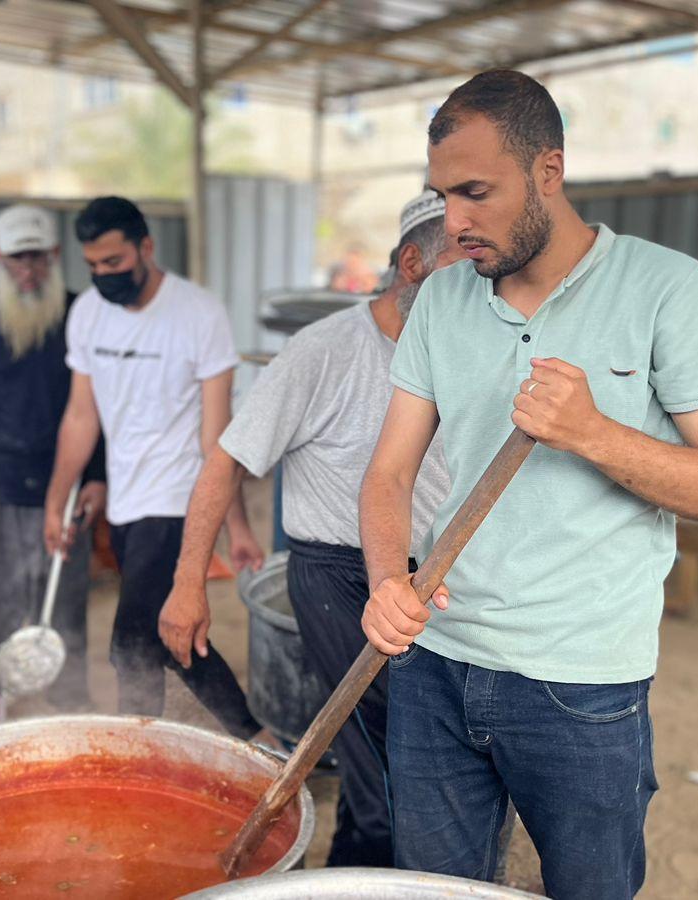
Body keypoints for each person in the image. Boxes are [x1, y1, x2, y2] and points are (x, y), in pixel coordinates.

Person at [360, 70, 698, 898]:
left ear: (549, 170)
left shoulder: (665, 289)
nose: (456, 223)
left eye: (476, 192)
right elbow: (389, 471)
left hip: (580, 684)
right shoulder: (442, 301)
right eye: (442, 196)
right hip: (435, 666)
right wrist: (383, 581)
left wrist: (592, 432)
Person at [159, 190, 462, 867]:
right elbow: (224, 465)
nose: (476, 290)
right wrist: (188, 584)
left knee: (396, 755)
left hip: (432, 574)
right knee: (391, 749)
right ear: (411, 263)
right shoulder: (322, 351)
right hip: (336, 575)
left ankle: (349, 870)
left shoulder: (467, 346)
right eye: (460, 270)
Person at [44, 195, 264, 738]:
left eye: (114, 263)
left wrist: (233, 524)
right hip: (125, 504)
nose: (102, 276)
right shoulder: (87, 314)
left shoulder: (199, 313)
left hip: (180, 499)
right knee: (171, 634)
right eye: (92, 266)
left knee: (131, 646)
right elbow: (79, 416)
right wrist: (56, 500)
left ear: (146, 247)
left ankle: (133, 756)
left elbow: (218, 437)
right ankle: (259, 741)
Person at [0, 203, 104, 718]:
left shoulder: (86, 315)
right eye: (16, 260)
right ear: (0, 259)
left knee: (64, 611)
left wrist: (97, 477)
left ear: (55, 255)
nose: (27, 270)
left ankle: (70, 713)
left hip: (64, 486)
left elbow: (104, 407)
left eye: (36, 258)